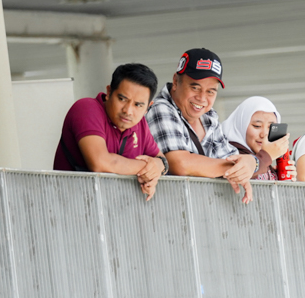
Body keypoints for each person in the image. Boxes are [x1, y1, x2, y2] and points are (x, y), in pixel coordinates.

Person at [146, 48, 258, 203]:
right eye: (195, 88)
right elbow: (180, 164)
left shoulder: (209, 117)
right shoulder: (161, 108)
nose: (202, 98)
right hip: (167, 206)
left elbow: (231, 157)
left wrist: (252, 162)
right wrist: (236, 170)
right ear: (176, 82)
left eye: (210, 92)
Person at [54, 63, 167, 200]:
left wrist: (156, 168)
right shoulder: (87, 108)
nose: (128, 111)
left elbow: (161, 160)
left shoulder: (140, 124)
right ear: (109, 92)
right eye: (122, 99)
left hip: (115, 207)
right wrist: (147, 167)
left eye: (138, 105)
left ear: (148, 107)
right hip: (69, 203)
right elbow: (100, 163)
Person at [221, 96, 290, 181]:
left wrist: (276, 175)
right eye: (257, 126)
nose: (264, 134)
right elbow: (237, 174)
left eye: (270, 127)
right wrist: (266, 156)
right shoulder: (229, 153)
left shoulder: (262, 160)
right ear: (241, 126)